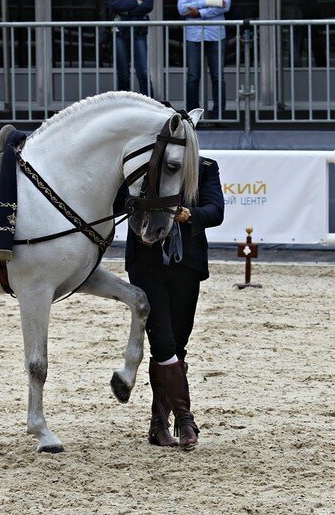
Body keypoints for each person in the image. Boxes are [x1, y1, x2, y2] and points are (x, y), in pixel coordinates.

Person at [115, 149, 224, 449]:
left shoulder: (203, 168)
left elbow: (216, 210)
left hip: (186, 264)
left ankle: (158, 423)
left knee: (176, 346)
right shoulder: (141, 167)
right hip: (145, 263)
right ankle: (185, 419)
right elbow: (117, 203)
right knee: (163, 342)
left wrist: (191, 215)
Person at [177, 0, 231, 119]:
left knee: (218, 76)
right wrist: (209, 3)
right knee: (193, 76)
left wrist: (199, 11)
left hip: (216, 33)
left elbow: (225, 5)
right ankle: (192, 118)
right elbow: (182, 9)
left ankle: (218, 116)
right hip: (194, 33)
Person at [106, 0, 154, 97]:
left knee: (143, 72)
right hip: (120, 31)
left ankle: (151, 110)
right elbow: (112, 4)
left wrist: (123, 7)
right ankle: (123, 110)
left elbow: (148, 5)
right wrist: (136, 2)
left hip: (139, 31)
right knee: (123, 75)